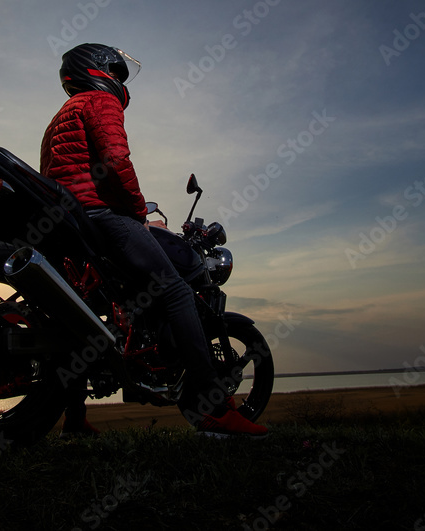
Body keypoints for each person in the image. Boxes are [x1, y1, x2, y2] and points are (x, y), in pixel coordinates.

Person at [40, 43, 268, 439]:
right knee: (177, 294)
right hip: (100, 214)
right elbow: (115, 160)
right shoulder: (99, 101)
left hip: (68, 221)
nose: (118, 77)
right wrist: (137, 211)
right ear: (97, 68)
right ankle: (213, 408)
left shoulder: (61, 116)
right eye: (115, 69)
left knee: (78, 315)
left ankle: (74, 422)